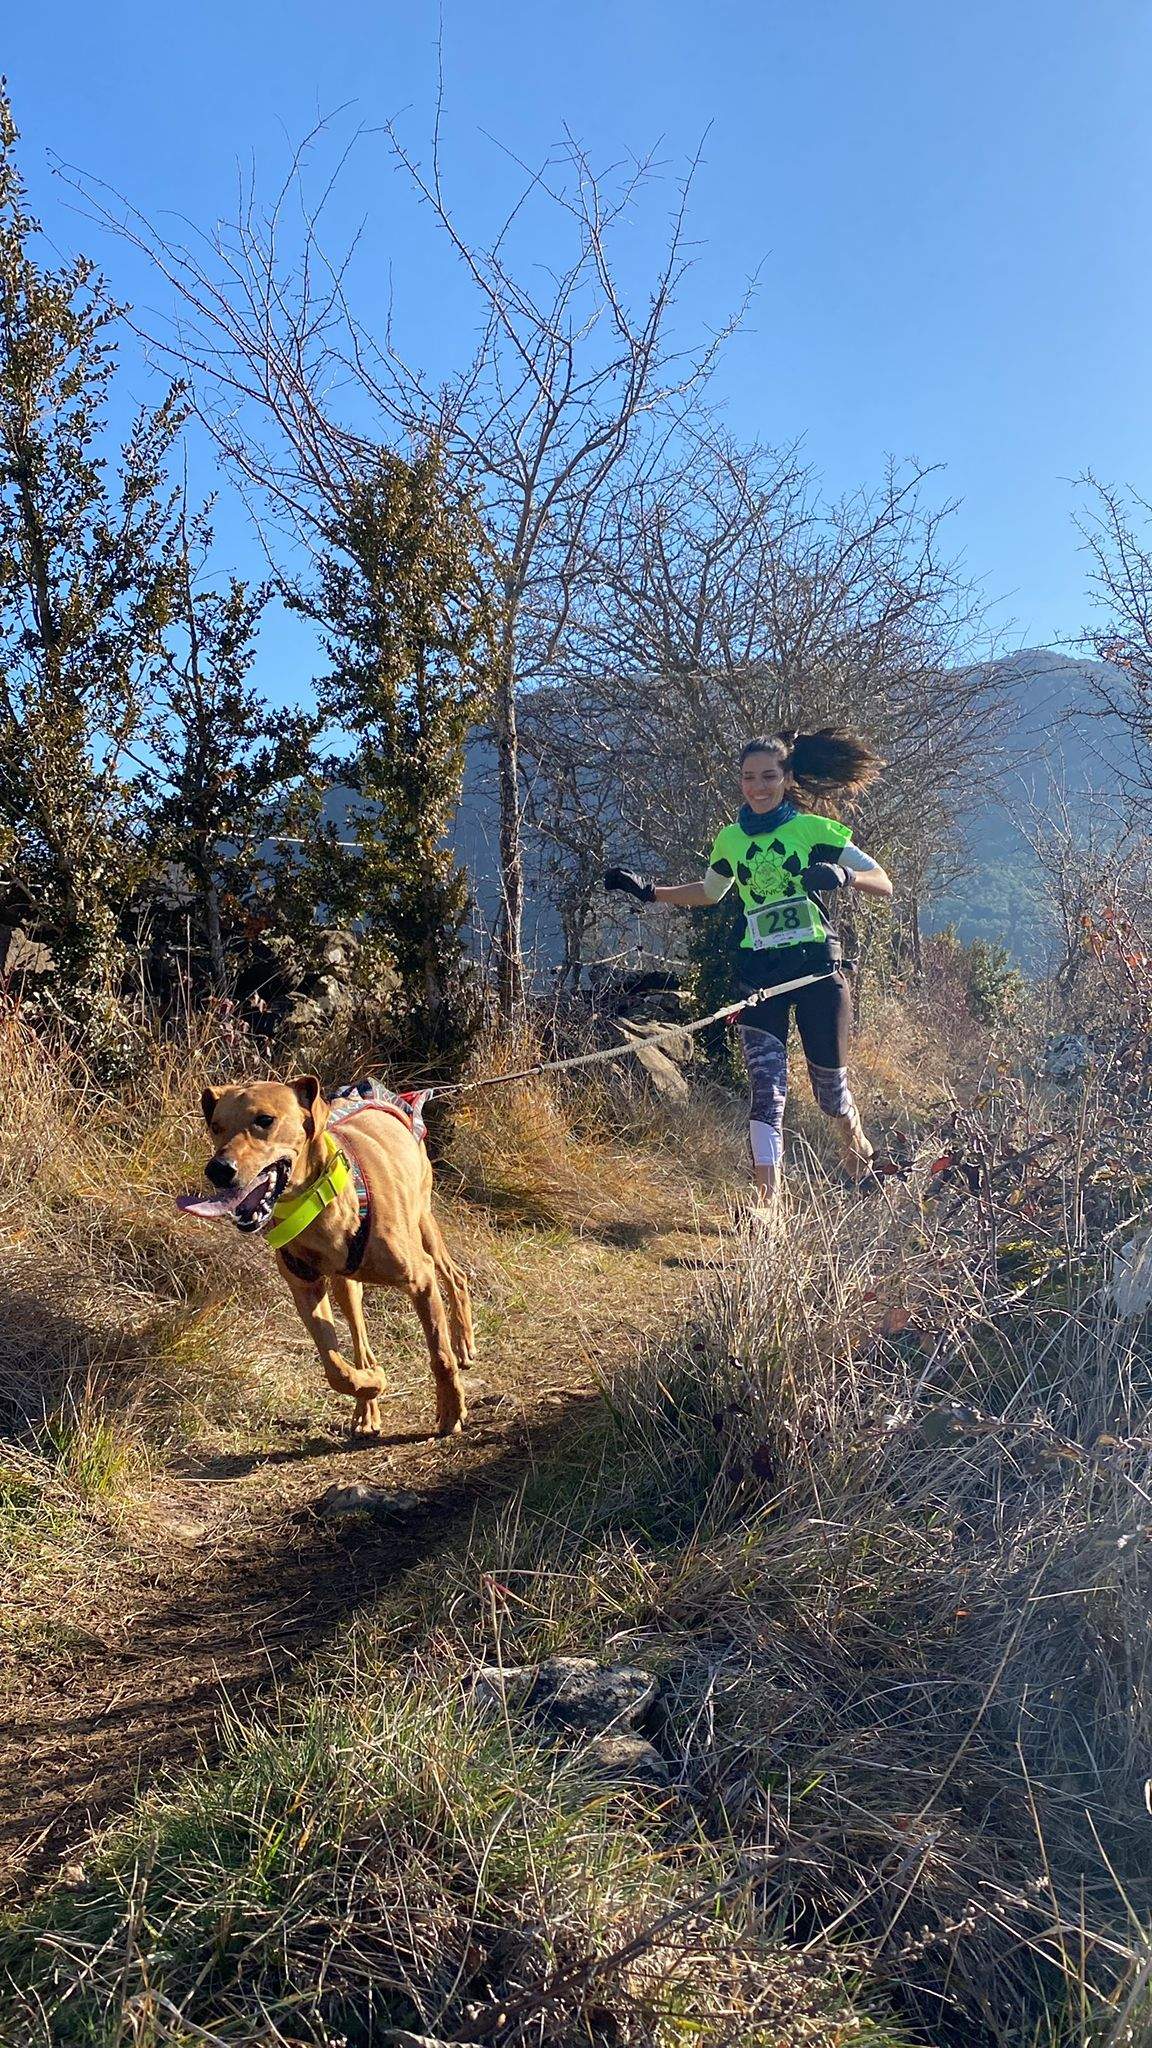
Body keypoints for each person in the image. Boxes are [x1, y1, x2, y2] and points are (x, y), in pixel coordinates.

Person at [604, 729, 893, 1199]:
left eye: (768, 777)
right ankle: (768, 1208)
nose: (758, 787)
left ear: (787, 778)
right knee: (767, 1093)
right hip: (761, 974)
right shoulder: (731, 839)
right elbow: (710, 892)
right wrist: (650, 892)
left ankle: (858, 1152)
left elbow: (884, 882)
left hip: (817, 971)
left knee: (830, 1093)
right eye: (748, 778)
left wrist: (845, 875)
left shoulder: (812, 829)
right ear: (739, 782)